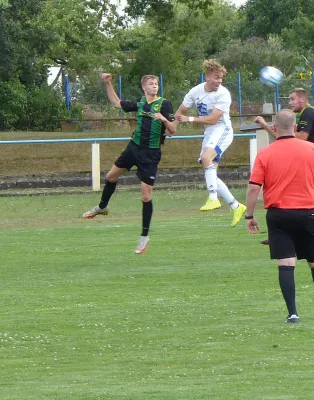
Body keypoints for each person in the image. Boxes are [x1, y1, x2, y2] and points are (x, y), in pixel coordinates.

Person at [83, 73, 177, 254]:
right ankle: (102, 207)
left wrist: (164, 119)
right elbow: (116, 103)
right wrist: (108, 83)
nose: (154, 86)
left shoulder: (164, 104)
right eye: (151, 83)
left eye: (156, 83)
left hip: (150, 153)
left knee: (146, 196)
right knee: (110, 176)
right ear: (144, 87)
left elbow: (173, 131)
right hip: (134, 148)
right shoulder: (141, 103)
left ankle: (144, 237)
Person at [245, 109, 314, 323]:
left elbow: (254, 188)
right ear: (295, 128)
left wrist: (249, 215)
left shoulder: (265, 154)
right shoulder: (311, 149)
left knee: (286, 263)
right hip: (309, 213)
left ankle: (293, 313)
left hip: (278, 215)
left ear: (274, 128)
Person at [175, 58, 246, 227]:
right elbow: (179, 112)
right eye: (216, 77)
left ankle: (213, 198)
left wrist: (189, 118)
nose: (219, 81)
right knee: (211, 171)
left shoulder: (223, 93)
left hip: (222, 129)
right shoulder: (195, 91)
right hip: (209, 132)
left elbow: (214, 119)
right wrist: (171, 126)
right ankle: (236, 206)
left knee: (206, 158)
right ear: (206, 76)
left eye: (221, 78)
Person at [255, 87, 314, 244]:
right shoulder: (299, 116)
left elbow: (301, 137)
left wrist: (270, 127)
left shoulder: (309, 112)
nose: (290, 102)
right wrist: (266, 126)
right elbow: (284, 136)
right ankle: (278, 233)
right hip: (303, 157)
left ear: (302, 99)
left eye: (292, 99)